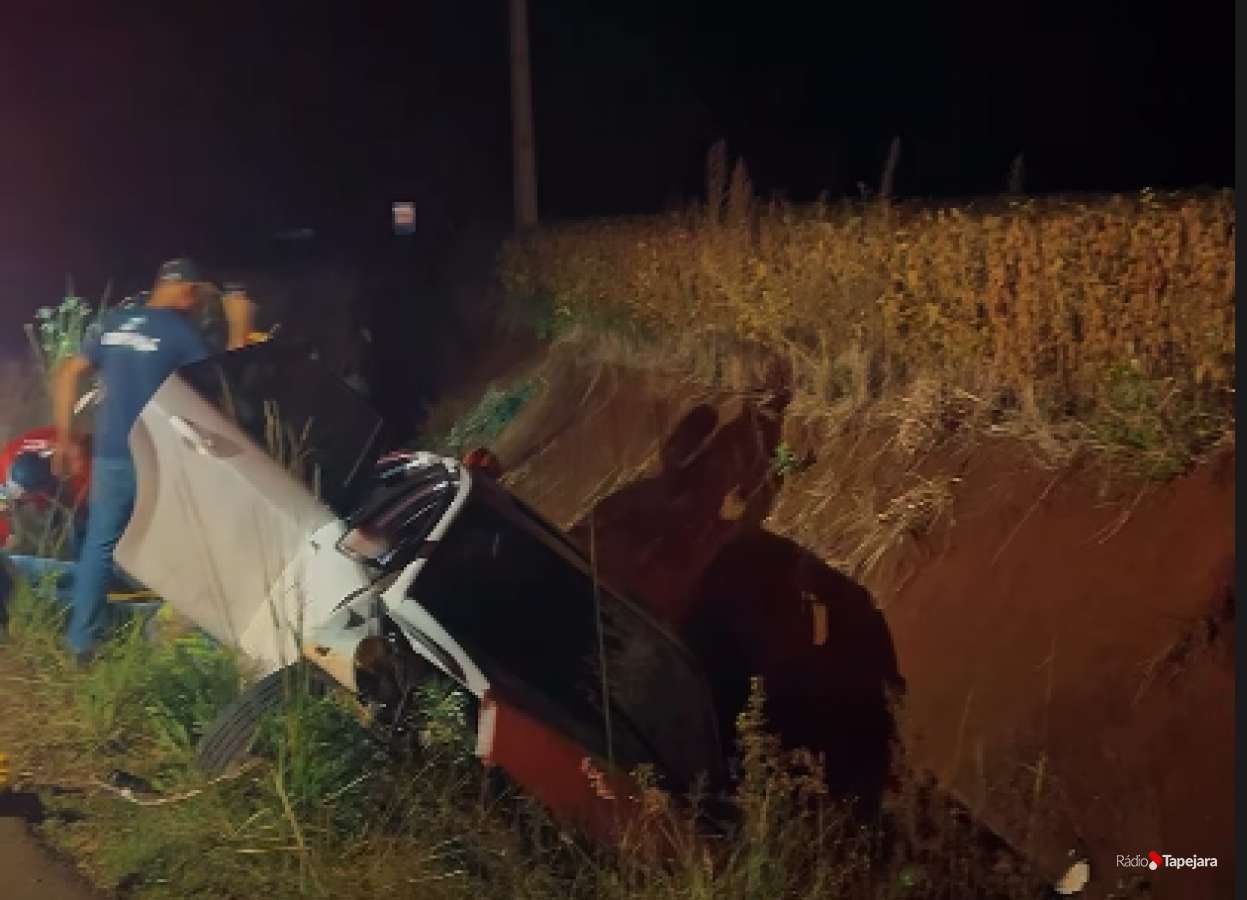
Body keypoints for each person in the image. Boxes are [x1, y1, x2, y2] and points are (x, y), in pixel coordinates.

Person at [49, 257, 214, 664]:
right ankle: (168, 641)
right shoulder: (183, 335)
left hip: (110, 455)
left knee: (100, 546)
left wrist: (65, 439)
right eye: (195, 295)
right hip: (161, 461)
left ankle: (81, 644)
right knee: (191, 544)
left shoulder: (112, 322)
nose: (195, 304)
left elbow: (68, 374)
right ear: (185, 290)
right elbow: (214, 399)